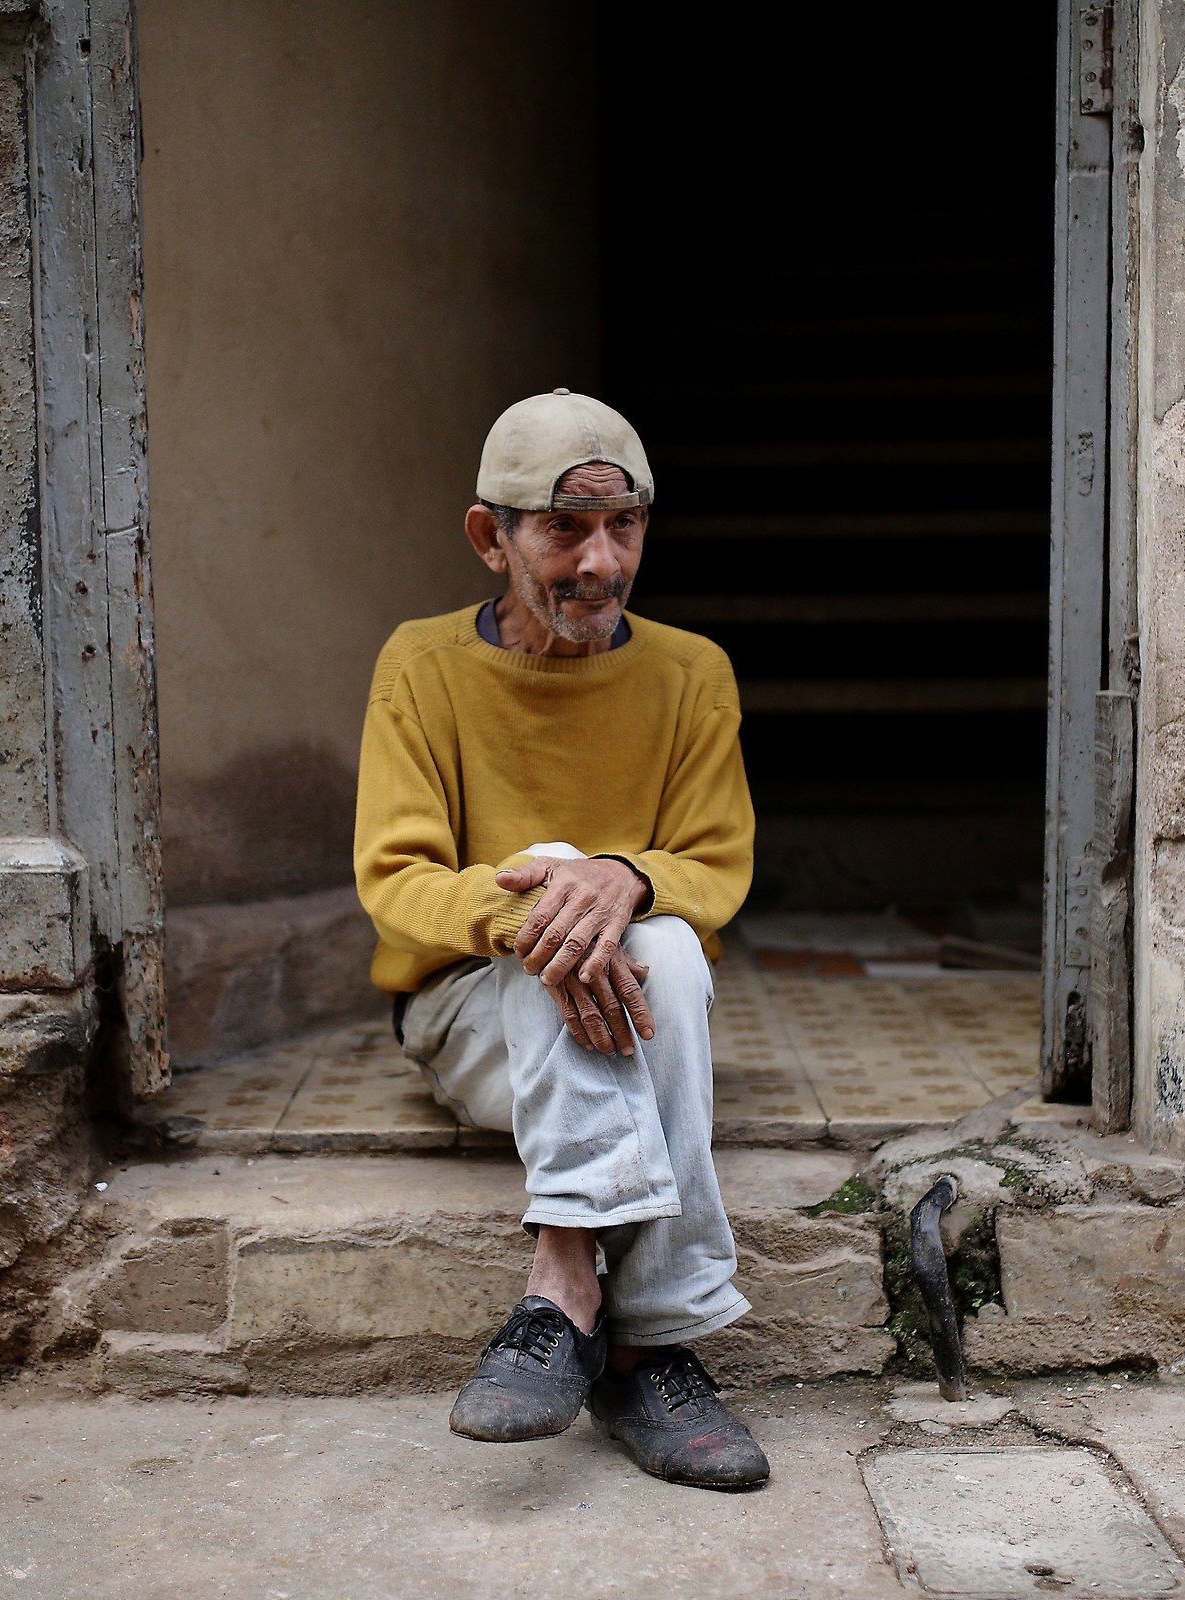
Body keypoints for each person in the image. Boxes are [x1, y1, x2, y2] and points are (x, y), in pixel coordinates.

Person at [352, 390, 766, 1489]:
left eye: (624, 525)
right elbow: (395, 881)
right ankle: (652, 1345)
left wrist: (622, 880)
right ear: (492, 537)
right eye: (565, 528)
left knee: (658, 936)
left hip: (641, 998)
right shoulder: (421, 666)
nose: (602, 561)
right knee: (554, 889)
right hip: (471, 1016)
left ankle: (567, 1296)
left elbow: (715, 867)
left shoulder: (693, 674)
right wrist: (546, 906)